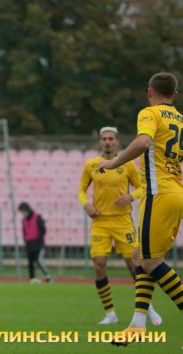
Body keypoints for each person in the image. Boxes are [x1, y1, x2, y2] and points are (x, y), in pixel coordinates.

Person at [98, 72, 183, 346]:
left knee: (150, 262)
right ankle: (137, 325)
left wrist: (114, 162)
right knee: (140, 256)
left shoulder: (150, 113)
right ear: (175, 96)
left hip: (158, 193)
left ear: (149, 92)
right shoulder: (180, 119)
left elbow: (144, 141)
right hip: (174, 192)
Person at [78, 126, 161, 325]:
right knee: (99, 266)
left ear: (117, 141)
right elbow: (81, 190)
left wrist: (130, 197)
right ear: (100, 142)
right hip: (100, 222)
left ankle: (147, 307)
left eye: (111, 139)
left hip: (123, 221)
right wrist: (87, 205)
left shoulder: (128, 165)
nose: (107, 142)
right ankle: (110, 314)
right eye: (104, 139)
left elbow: (142, 187)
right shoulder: (91, 165)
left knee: (134, 266)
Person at [18, 202, 52, 283]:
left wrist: (39, 240)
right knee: (30, 262)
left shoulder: (37, 216)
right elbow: (24, 231)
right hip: (29, 243)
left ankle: (47, 276)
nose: (23, 213)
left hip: (38, 243)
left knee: (38, 260)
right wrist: (26, 241)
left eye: (23, 211)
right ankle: (32, 278)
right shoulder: (24, 220)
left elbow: (43, 229)